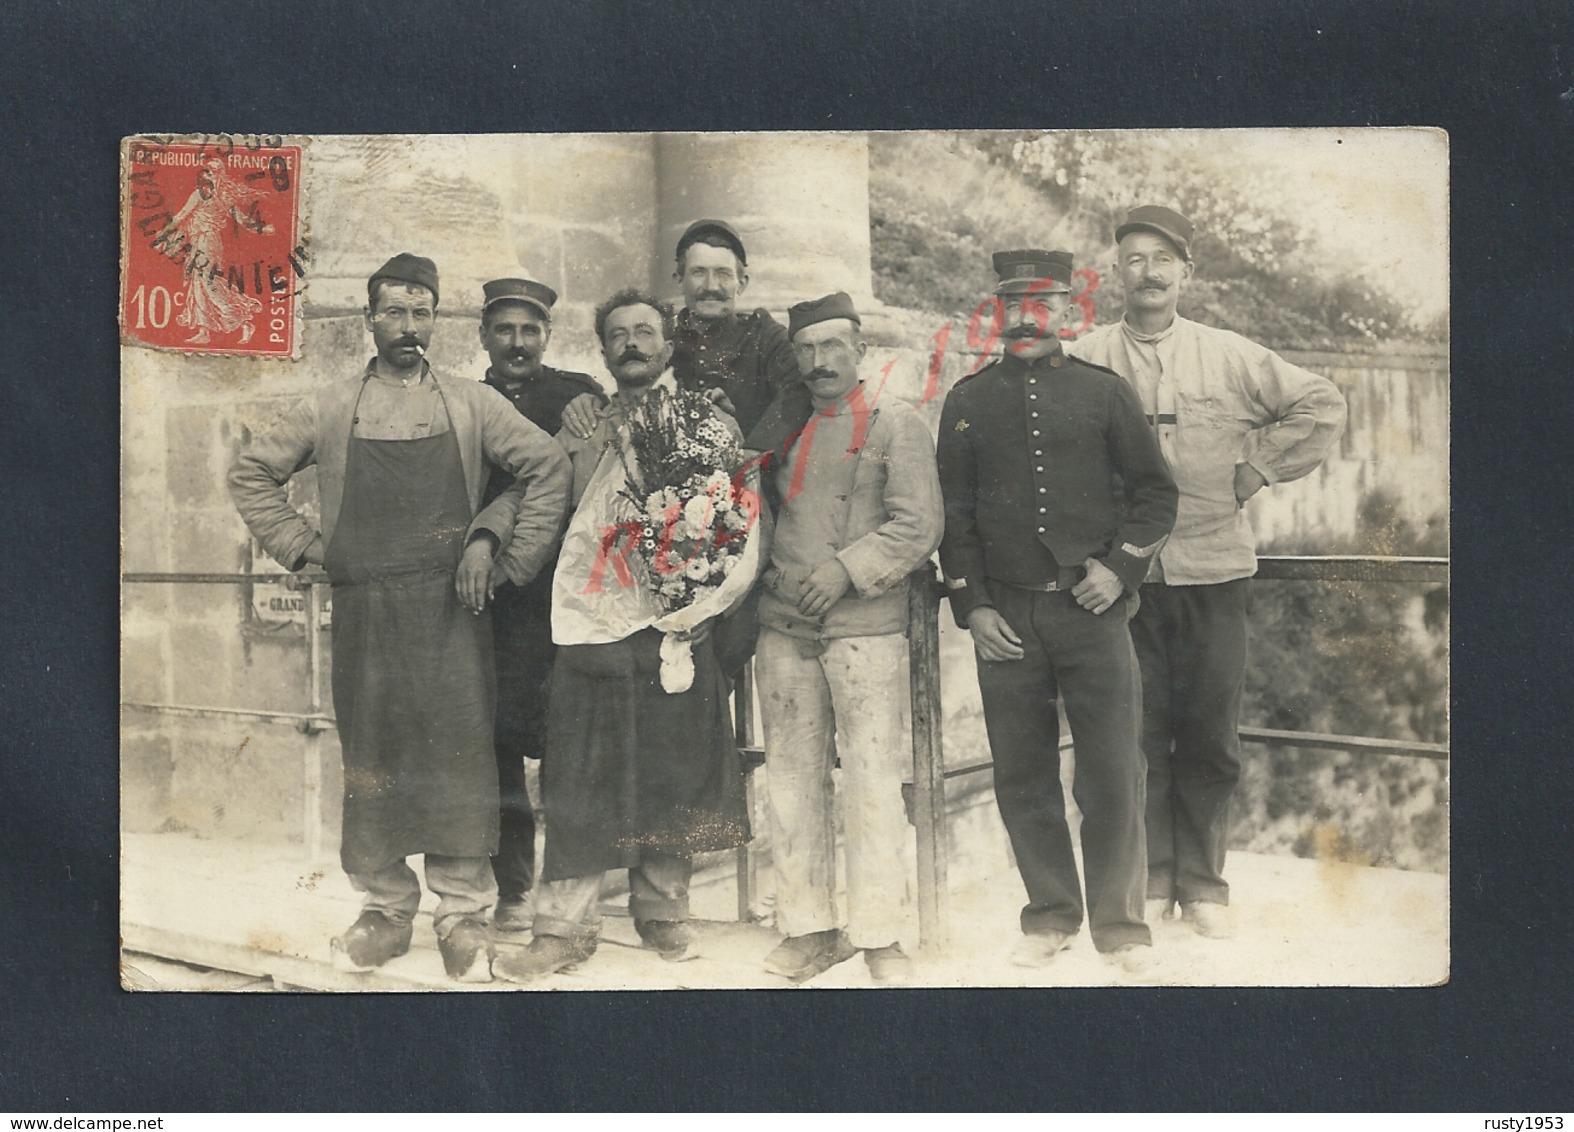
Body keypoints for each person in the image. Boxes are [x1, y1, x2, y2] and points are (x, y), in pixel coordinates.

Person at [228, 253, 572, 982]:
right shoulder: (329, 406)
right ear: (369, 319)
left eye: (422, 313)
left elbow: (548, 467)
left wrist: (510, 562)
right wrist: (303, 547)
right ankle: (385, 909)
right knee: (375, 759)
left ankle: (462, 913)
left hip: (455, 615)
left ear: (436, 319)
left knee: (459, 757)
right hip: (367, 616)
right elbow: (251, 471)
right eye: (394, 312)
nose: (409, 327)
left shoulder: (471, 404)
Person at [1069, 206, 1347, 938]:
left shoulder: (1230, 356)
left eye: (1164, 259)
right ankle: (1153, 879)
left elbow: (1323, 404)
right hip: (1122, 583)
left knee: (1209, 736)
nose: (1150, 271)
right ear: (1116, 273)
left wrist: (1258, 467)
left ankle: (1205, 883)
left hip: (1215, 573)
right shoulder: (1087, 357)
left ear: (1186, 274)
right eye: (1134, 258)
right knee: (1135, 735)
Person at [494, 289, 753, 983]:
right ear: (604, 352)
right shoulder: (580, 427)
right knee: (578, 776)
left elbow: (743, 516)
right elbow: (535, 496)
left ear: (667, 345)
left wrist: (700, 604)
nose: (633, 343)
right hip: (593, 626)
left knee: (672, 768)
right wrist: (490, 543)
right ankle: (562, 928)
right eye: (618, 335)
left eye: (645, 332)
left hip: (676, 625)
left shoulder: (706, 421)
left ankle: (663, 911)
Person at [936, 249, 1178, 975]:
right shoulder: (968, 402)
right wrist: (973, 607)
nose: (1027, 319)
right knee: (1022, 774)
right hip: (1005, 619)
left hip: (1092, 612)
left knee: (1110, 773)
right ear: (998, 314)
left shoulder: (1105, 394)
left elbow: (1155, 497)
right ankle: (1048, 916)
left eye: (1043, 305)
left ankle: (1122, 928)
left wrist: (1120, 568)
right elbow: (955, 520)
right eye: (1013, 305)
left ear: (1070, 313)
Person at [753, 292, 943, 985]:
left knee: (869, 785)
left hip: (865, 628)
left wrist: (845, 570)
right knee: (792, 781)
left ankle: (881, 937)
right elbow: (762, 515)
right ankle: (807, 929)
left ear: (859, 349)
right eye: (805, 349)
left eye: (832, 346)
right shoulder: (786, 428)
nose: (818, 361)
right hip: (784, 627)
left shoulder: (899, 424)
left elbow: (918, 526)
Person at [476, 277, 607, 935]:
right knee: (498, 750)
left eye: (530, 330)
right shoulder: (468, 403)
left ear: (547, 336)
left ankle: (569, 898)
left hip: (567, 601)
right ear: (484, 338)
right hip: (498, 607)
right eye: (505, 330)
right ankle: (513, 891)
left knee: (570, 748)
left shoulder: (578, 394)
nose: (518, 343)